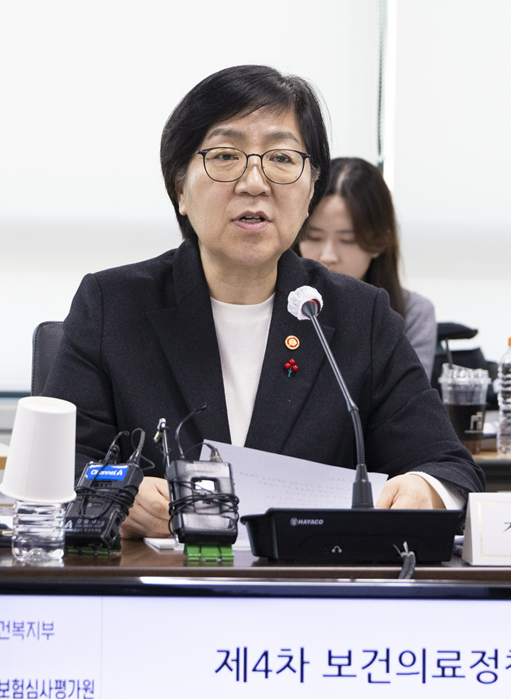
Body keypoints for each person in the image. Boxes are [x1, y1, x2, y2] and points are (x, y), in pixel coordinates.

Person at [43, 65, 484, 538]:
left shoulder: (361, 317)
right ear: (180, 189)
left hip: (308, 580)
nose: (254, 182)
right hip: (157, 578)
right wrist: (117, 493)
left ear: (311, 189)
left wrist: (424, 489)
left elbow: (449, 468)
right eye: (225, 156)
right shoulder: (112, 306)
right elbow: (55, 463)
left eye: (281, 158)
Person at [298, 157, 437, 379]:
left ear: (380, 240)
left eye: (348, 240)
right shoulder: (273, 304)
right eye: (313, 237)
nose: (327, 256)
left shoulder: (413, 313)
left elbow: (409, 399)